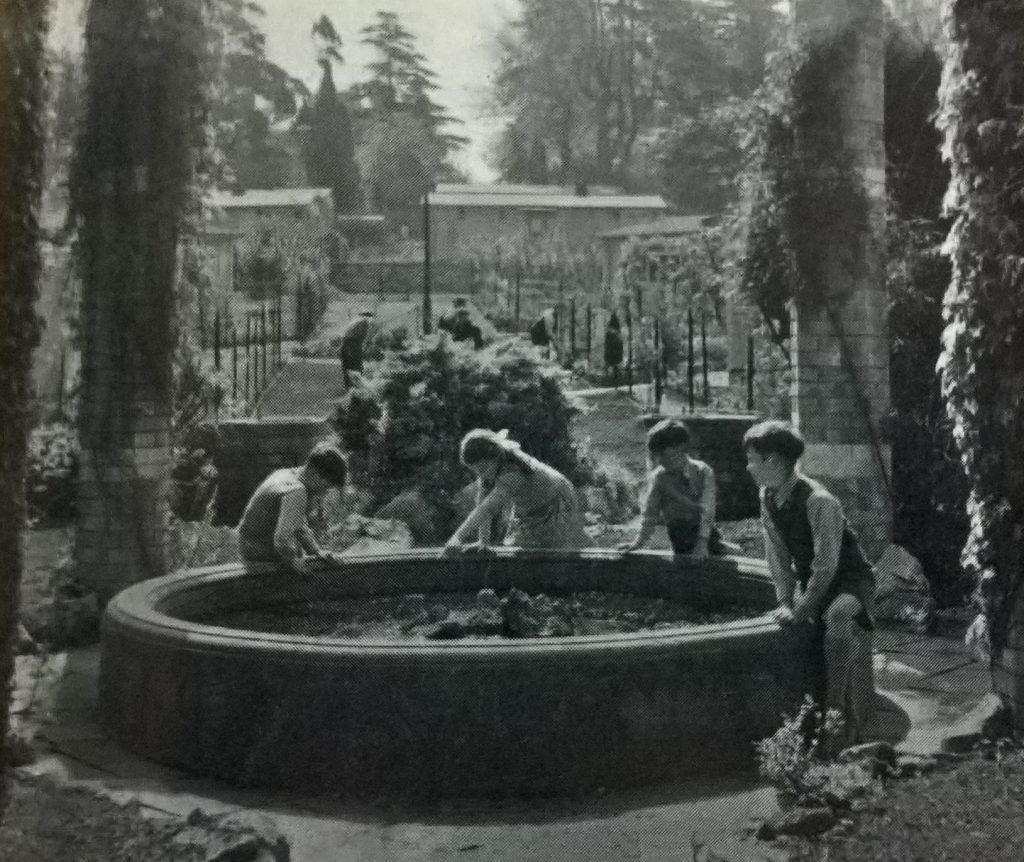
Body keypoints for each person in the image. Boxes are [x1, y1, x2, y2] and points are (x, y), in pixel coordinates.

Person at [743, 420, 875, 745]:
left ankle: (834, 708)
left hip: (850, 580)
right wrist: (785, 601)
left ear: (772, 460)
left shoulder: (820, 501)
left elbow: (827, 564)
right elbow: (777, 556)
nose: (748, 467)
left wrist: (803, 606)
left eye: (752, 459)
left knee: (837, 616)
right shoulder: (768, 498)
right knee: (806, 632)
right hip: (816, 580)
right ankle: (834, 718)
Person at [444, 429, 589, 553]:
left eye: (482, 469)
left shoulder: (513, 473)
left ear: (494, 457)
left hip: (555, 502)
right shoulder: (491, 467)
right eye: (475, 471)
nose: (480, 475)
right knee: (522, 547)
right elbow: (482, 501)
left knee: (547, 550)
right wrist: (483, 541)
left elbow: (487, 509)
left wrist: (457, 538)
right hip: (531, 506)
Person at [619, 419, 724, 558]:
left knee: (717, 564)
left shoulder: (703, 472)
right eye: (657, 456)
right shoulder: (659, 478)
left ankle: (724, 548)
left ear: (682, 448)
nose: (660, 461)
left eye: (666, 455)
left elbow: (708, 509)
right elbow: (650, 513)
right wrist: (638, 542)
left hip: (705, 533)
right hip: (679, 537)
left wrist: (702, 543)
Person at [238, 442, 349, 572]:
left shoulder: (285, 474)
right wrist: (293, 562)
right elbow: (282, 540)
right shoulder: (297, 491)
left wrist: (316, 551)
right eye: (325, 487)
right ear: (314, 473)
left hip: (249, 551)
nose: (324, 492)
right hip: (262, 561)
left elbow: (297, 522)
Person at [339, 310, 375, 387]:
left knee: (348, 367)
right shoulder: (363, 322)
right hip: (353, 346)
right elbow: (361, 336)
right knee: (356, 367)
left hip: (346, 345)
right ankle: (356, 387)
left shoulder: (354, 322)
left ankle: (349, 386)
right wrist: (368, 342)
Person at [604, 311, 624, 386]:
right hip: (616, 352)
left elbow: (607, 342)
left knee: (612, 366)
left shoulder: (609, 330)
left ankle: (611, 381)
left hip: (611, 352)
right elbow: (620, 341)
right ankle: (615, 381)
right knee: (615, 366)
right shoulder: (617, 330)